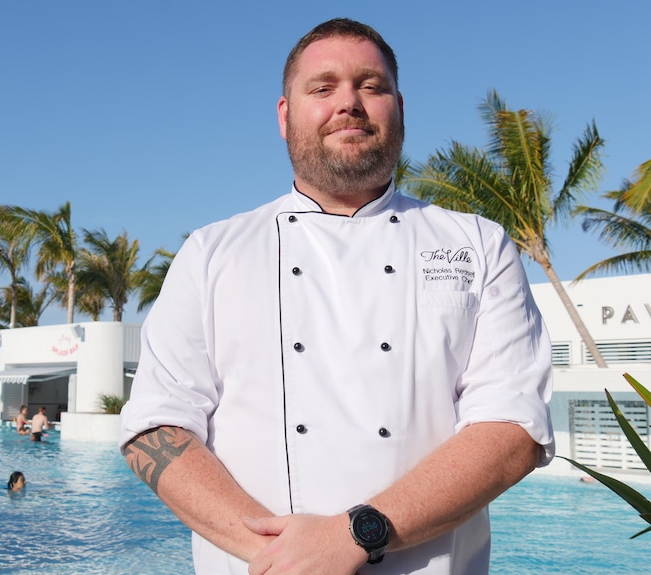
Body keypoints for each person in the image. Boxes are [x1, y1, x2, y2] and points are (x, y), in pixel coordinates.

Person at [119, 18, 554, 575]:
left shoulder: (477, 244)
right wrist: (283, 557)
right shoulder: (212, 252)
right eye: (322, 88)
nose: (348, 103)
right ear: (285, 116)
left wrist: (354, 535)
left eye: (371, 87)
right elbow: (155, 425)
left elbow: (513, 427)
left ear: (400, 107)